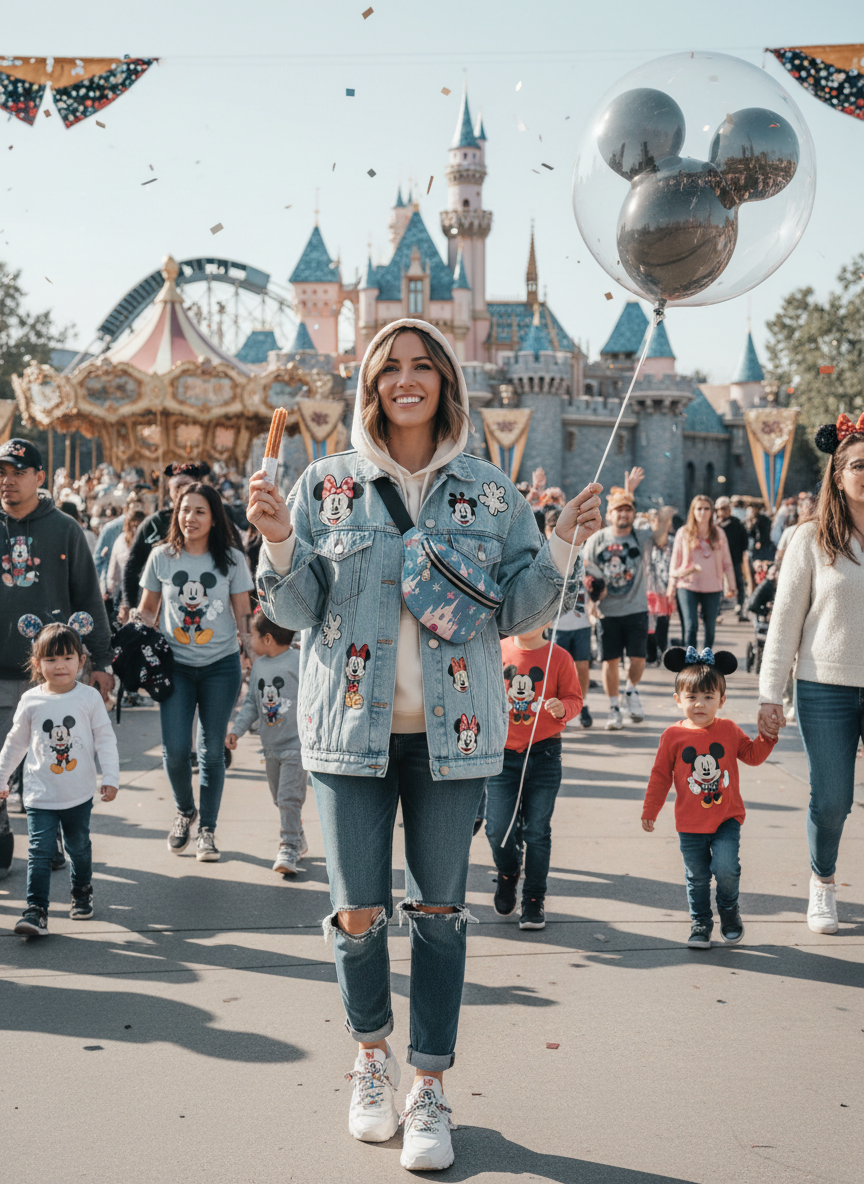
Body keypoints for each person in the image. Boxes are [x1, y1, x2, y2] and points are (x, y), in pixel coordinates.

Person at [246, 318, 602, 1172]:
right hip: (346, 736)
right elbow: (291, 613)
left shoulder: (489, 491)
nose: (406, 380)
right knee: (358, 913)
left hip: (457, 734)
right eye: (389, 368)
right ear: (369, 384)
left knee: (440, 915)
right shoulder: (325, 485)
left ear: (446, 380)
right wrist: (277, 539)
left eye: (422, 366)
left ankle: (429, 1083)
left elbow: (523, 612)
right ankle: (370, 1060)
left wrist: (560, 542)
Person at [757, 413, 864, 936]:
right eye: (860, 465)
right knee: (832, 798)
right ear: (838, 474)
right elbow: (784, 621)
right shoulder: (810, 538)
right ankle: (823, 884)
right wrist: (769, 693)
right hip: (825, 686)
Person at [0, 439, 114, 870]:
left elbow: (88, 597)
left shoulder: (65, 528)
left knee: (50, 766)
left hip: (52, 676)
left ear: (40, 477)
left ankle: (49, 841)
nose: (7, 481)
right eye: (1, 473)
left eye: (17, 472)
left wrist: (100, 662)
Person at [138, 482, 253, 863]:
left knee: (212, 753)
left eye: (200, 511)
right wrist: (132, 646)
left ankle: (208, 829)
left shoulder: (233, 560)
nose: (190, 518)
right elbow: (147, 611)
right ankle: (185, 811)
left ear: (214, 517)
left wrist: (251, 655)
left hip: (221, 668)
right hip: (176, 669)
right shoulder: (161, 558)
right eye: (185, 510)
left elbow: (243, 615)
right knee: (174, 752)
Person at [641, 647, 776, 948]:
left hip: (726, 818)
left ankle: (729, 911)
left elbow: (751, 756)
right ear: (678, 700)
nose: (700, 704)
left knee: (727, 868)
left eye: (708, 697)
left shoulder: (728, 730)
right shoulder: (672, 737)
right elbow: (661, 776)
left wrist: (767, 737)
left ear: (721, 700)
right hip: (689, 824)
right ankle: (700, 922)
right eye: (691, 698)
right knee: (697, 878)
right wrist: (651, 809)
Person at [0, 623, 119, 936]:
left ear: (80, 661)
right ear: (37, 663)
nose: (60, 665)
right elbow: (16, 743)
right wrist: (2, 777)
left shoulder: (89, 698)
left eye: (67, 657)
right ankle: (35, 910)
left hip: (78, 793)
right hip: (40, 794)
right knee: (39, 851)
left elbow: (105, 738)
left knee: (78, 847)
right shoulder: (31, 701)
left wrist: (111, 776)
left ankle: (81, 891)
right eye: (51, 659)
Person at [484, 620, 582, 930]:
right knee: (498, 830)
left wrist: (562, 708)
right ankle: (509, 871)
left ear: (550, 619)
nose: (527, 620)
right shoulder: (495, 651)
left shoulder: (560, 657)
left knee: (537, 830)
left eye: (535, 613)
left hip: (544, 754)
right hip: (501, 756)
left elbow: (575, 699)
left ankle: (534, 899)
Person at [225, 611, 307, 876]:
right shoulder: (259, 666)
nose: (250, 640)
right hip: (271, 746)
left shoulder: (299, 661)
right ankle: (298, 835)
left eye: (253, 635)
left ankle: (289, 847)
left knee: (288, 798)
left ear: (268, 639)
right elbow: (251, 704)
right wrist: (236, 730)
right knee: (279, 798)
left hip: (296, 745)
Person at [582, 472, 665, 732]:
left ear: (633, 514)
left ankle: (630, 691)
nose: (623, 514)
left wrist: (632, 493)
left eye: (628, 510)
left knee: (638, 659)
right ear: (609, 514)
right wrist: (593, 598)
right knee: (610, 662)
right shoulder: (597, 539)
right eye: (618, 509)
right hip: (608, 612)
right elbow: (586, 568)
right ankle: (614, 707)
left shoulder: (640, 538)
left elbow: (662, 525)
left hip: (636, 608)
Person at [122, 462, 210, 615]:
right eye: (178, 487)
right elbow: (133, 567)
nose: (182, 492)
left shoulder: (214, 521)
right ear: (169, 490)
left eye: (187, 486)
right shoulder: (153, 524)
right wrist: (129, 604)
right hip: (160, 608)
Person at [668, 496, 736, 652]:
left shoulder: (718, 533)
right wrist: (671, 586)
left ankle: (707, 658)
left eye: (706, 508)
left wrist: (731, 586)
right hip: (687, 584)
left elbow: (727, 562)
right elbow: (675, 562)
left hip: (712, 586)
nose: (703, 512)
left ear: (712, 511)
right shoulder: (683, 532)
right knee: (691, 624)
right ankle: (690, 660)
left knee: (710, 626)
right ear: (693, 511)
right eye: (699, 508)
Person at [544, 508, 593, 727]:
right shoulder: (543, 553)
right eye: (551, 528)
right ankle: (557, 708)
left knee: (582, 666)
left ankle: (582, 705)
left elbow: (592, 579)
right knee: (555, 671)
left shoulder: (580, 551)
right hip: (555, 624)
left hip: (581, 620)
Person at [646, 505, 676, 664]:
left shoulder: (671, 541)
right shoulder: (646, 540)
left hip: (664, 589)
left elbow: (672, 564)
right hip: (648, 588)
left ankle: (663, 651)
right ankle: (651, 654)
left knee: (663, 623)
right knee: (649, 624)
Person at [715, 495, 749, 619]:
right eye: (719, 509)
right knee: (717, 584)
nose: (722, 511)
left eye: (724, 508)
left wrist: (740, 554)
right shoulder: (715, 525)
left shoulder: (737, 524)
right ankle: (716, 610)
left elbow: (744, 541)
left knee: (739, 583)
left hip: (734, 559)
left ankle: (741, 608)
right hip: (718, 560)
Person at [106, 505, 146, 608]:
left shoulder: (147, 542)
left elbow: (112, 575)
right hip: (126, 597)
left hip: (140, 597)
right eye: (133, 525)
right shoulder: (121, 541)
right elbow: (113, 574)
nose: (135, 528)